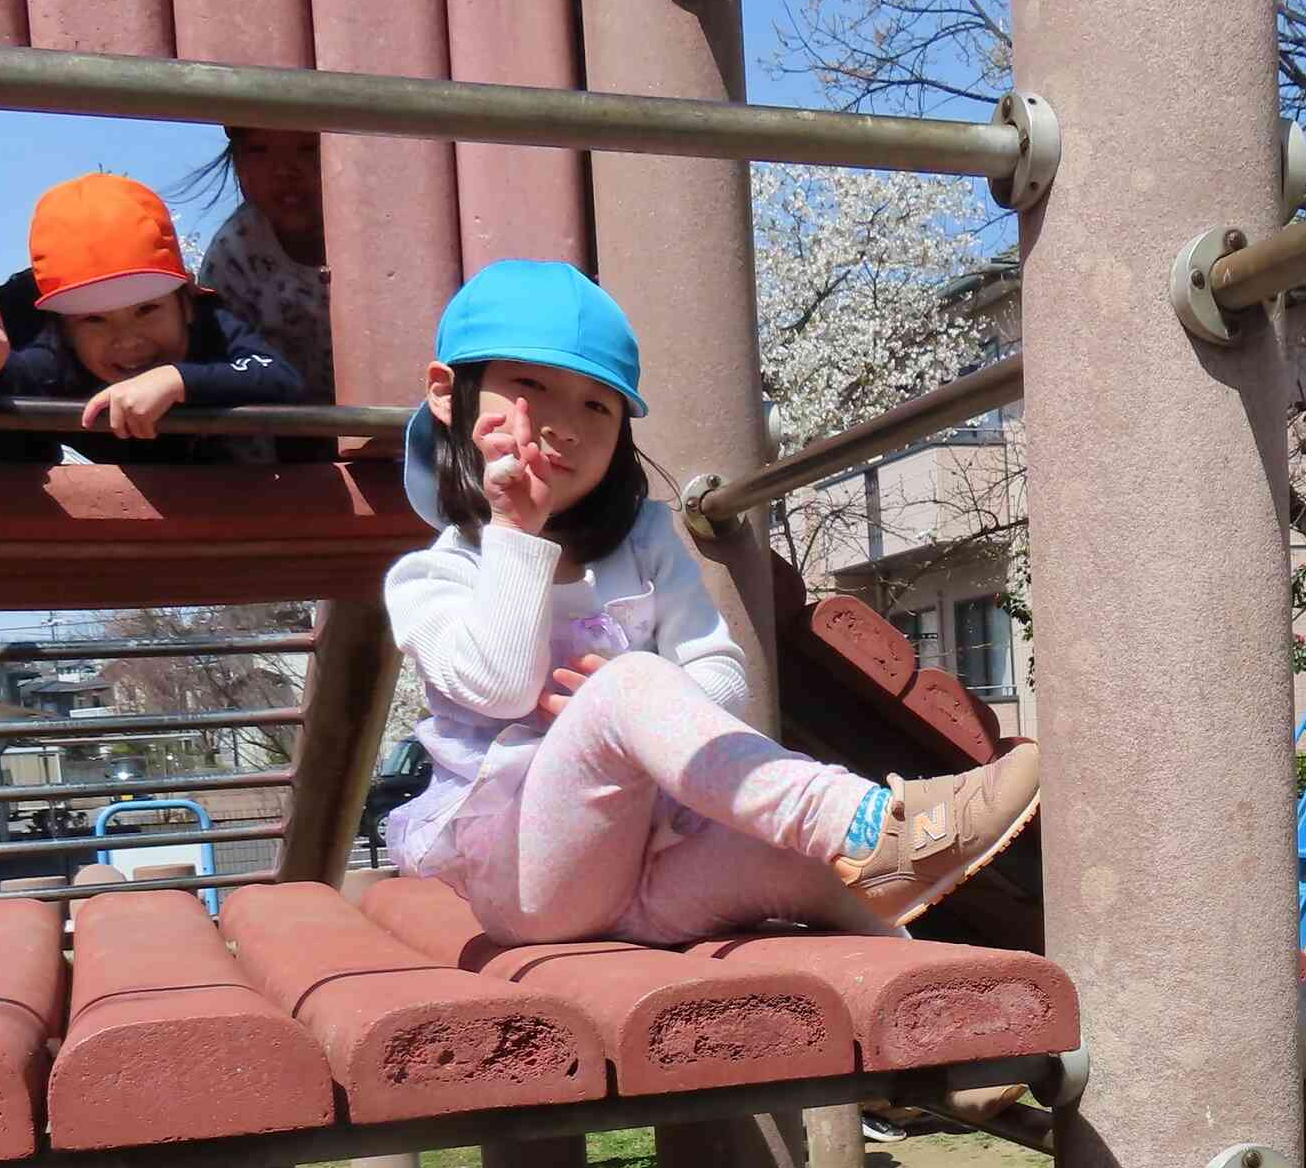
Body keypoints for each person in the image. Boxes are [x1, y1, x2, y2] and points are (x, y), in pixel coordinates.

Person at [385, 259, 1044, 947]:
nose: (566, 424)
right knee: (629, 683)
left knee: (819, 868)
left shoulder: (643, 542)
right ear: (445, 392)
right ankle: (874, 824)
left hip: (660, 869)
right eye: (531, 386)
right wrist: (517, 536)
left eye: (597, 404)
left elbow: (722, 678)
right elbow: (496, 687)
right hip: (536, 886)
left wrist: (654, 699)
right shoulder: (431, 579)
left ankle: (925, 994)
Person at [0, 174, 303, 466]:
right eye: (94, 320)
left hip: (210, 498)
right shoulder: (52, 365)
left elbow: (280, 377)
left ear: (186, 303)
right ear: (63, 330)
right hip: (66, 524)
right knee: (8, 433)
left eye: (147, 309)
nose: (127, 339)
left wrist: (178, 380)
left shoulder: (210, 328)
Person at [191, 127, 334, 406]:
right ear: (237, 162)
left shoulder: (378, 231)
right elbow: (228, 373)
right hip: (285, 425)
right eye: (258, 150)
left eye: (308, 149)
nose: (284, 171)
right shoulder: (233, 254)